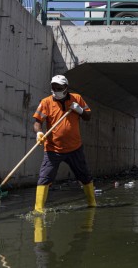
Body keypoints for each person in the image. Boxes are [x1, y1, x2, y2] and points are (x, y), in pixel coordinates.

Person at [32, 75, 96, 214]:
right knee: (44, 178)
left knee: (84, 176)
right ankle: (38, 210)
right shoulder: (46, 102)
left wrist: (80, 110)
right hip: (52, 149)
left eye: (59, 88)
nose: (55, 91)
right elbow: (37, 123)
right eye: (53, 88)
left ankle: (92, 203)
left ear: (66, 88)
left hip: (75, 148)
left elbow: (88, 117)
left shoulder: (77, 98)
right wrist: (39, 133)